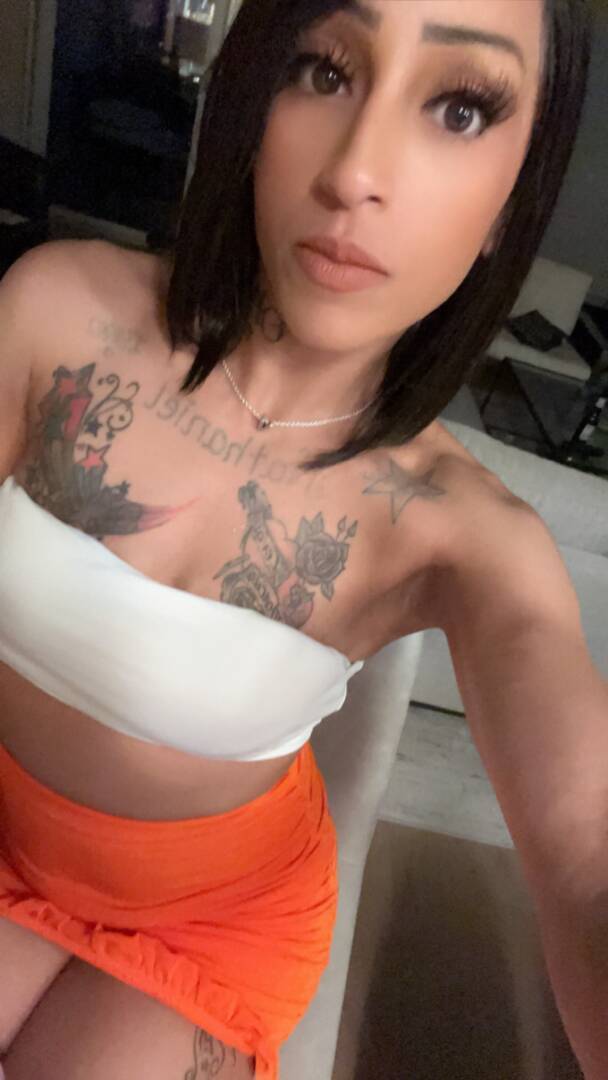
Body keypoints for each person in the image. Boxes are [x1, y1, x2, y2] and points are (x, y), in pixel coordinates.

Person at [0, 1, 605, 1077]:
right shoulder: (54, 305)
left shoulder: (460, 534)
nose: (356, 172)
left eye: (460, 108)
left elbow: (588, 852)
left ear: (513, 199)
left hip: (214, 919)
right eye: (324, 70)